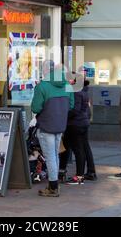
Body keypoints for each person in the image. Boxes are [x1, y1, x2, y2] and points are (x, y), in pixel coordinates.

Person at [31, 61, 74, 197]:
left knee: (50, 157)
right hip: (60, 125)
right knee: (54, 154)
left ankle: (53, 187)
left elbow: (35, 108)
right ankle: (53, 184)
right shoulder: (67, 85)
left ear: (45, 71)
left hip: (46, 126)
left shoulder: (42, 86)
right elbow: (71, 105)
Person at [59, 75, 97, 183]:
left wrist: (63, 116)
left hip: (75, 125)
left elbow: (74, 110)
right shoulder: (82, 91)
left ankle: (79, 176)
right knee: (75, 149)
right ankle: (66, 172)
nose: (68, 81)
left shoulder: (76, 93)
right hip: (81, 123)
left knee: (77, 150)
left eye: (70, 80)